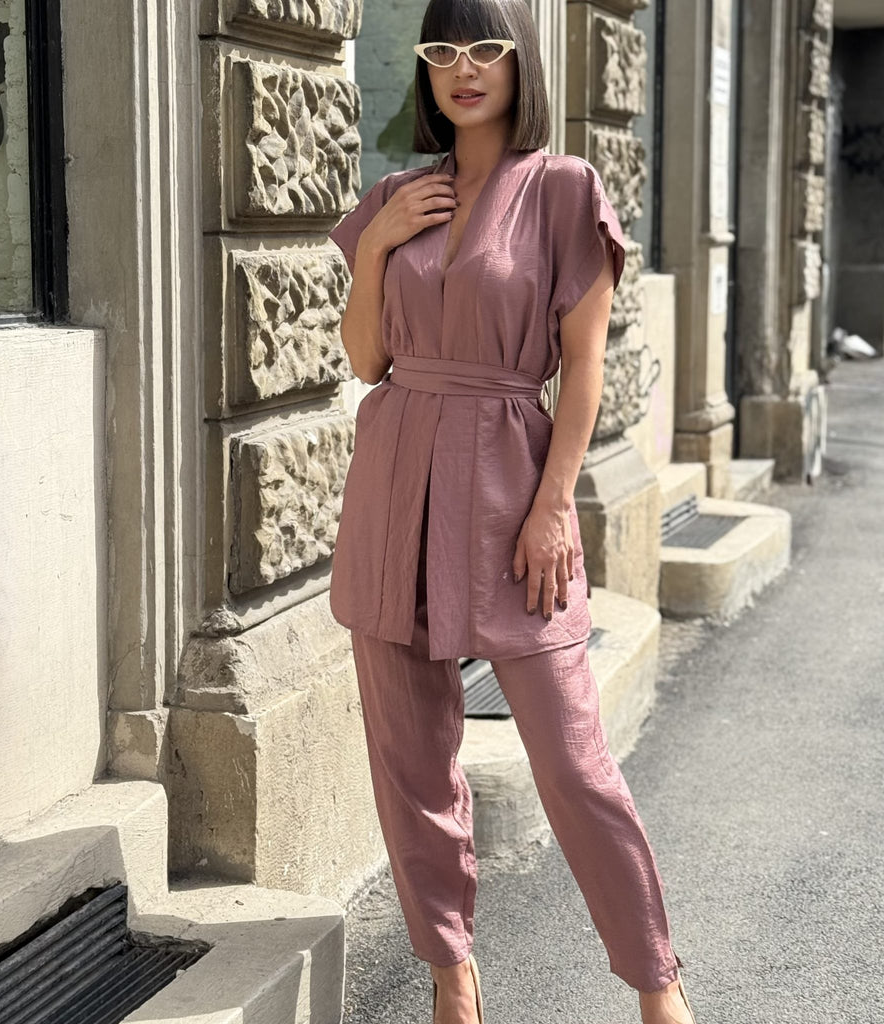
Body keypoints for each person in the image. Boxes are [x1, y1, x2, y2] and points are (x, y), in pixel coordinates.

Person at [328, 1, 697, 1022]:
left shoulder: (565, 190)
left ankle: (655, 981)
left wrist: (553, 507)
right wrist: (372, 254)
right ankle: (452, 974)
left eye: (486, 48)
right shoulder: (396, 195)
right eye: (442, 51)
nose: (464, 68)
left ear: (519, 63)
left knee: (572, 758)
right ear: (425, 74)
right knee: (411, 762)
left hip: (507, 484)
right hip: (394, 485)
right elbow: (366, 361)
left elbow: (582, 368)